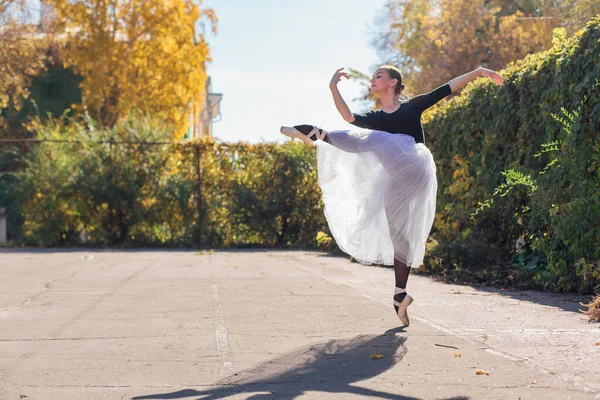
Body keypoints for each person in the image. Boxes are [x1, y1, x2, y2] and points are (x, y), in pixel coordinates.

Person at [280, 65, 503, 326]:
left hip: (417, 167)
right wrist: (333, 87)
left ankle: (316, 134)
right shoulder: (376, 117)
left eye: (378, 76)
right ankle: (400, 296)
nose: (372, 80)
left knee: (374, 140)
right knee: (400, 234)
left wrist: (477, 72)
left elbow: (448, 88)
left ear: (393, 82)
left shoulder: (411, 107)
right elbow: (349, 118)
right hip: (398, 181)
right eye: (372, 77)